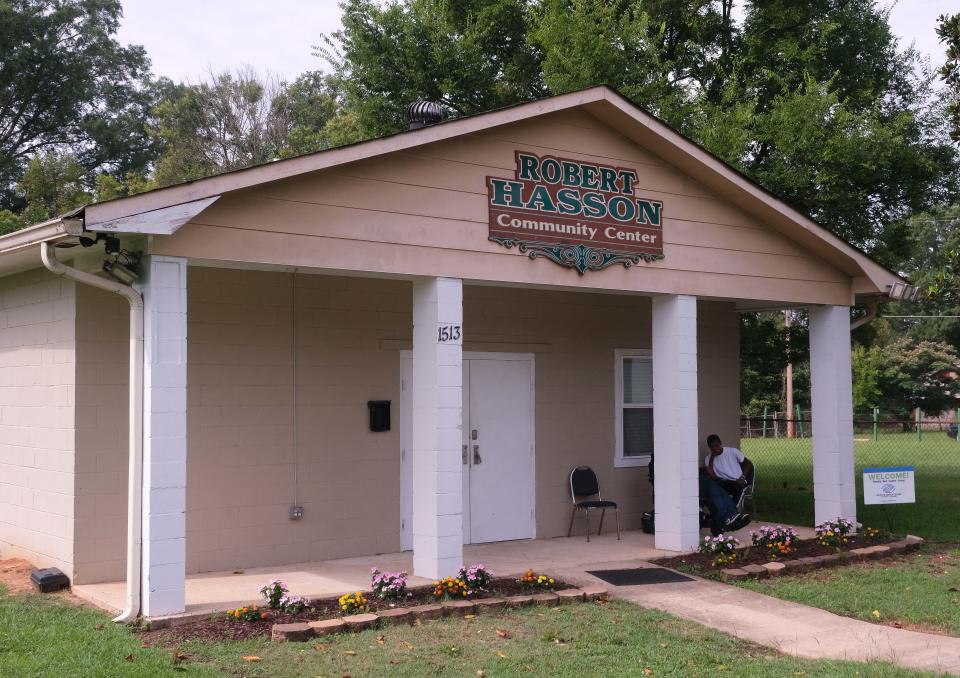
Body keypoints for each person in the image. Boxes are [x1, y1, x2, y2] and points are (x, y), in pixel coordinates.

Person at [699, 433, 752, 533]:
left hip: (737, 481)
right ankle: (728, 517)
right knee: (712, 490)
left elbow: (748, 463)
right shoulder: (708, 458)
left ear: (720, 443)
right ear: (709, 447)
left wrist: (743, 477)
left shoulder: (732, 451)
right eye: (712, 447)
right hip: (721, 482)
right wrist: (712, 458)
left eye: (716, 445)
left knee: (737, 487)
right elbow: (713, 477)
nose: (715, 448)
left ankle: (733, 514)